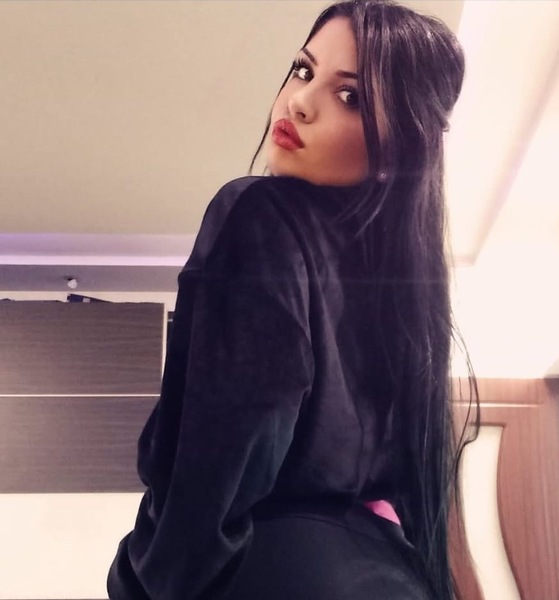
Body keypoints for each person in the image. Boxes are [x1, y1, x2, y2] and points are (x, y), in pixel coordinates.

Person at [107, 0, 478, 598]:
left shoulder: (259, 215)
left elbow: (220, 458)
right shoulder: (407, 297)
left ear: (400, 147)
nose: (299, 101)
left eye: (350, 96)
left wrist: (142, 578)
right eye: (304, 70)